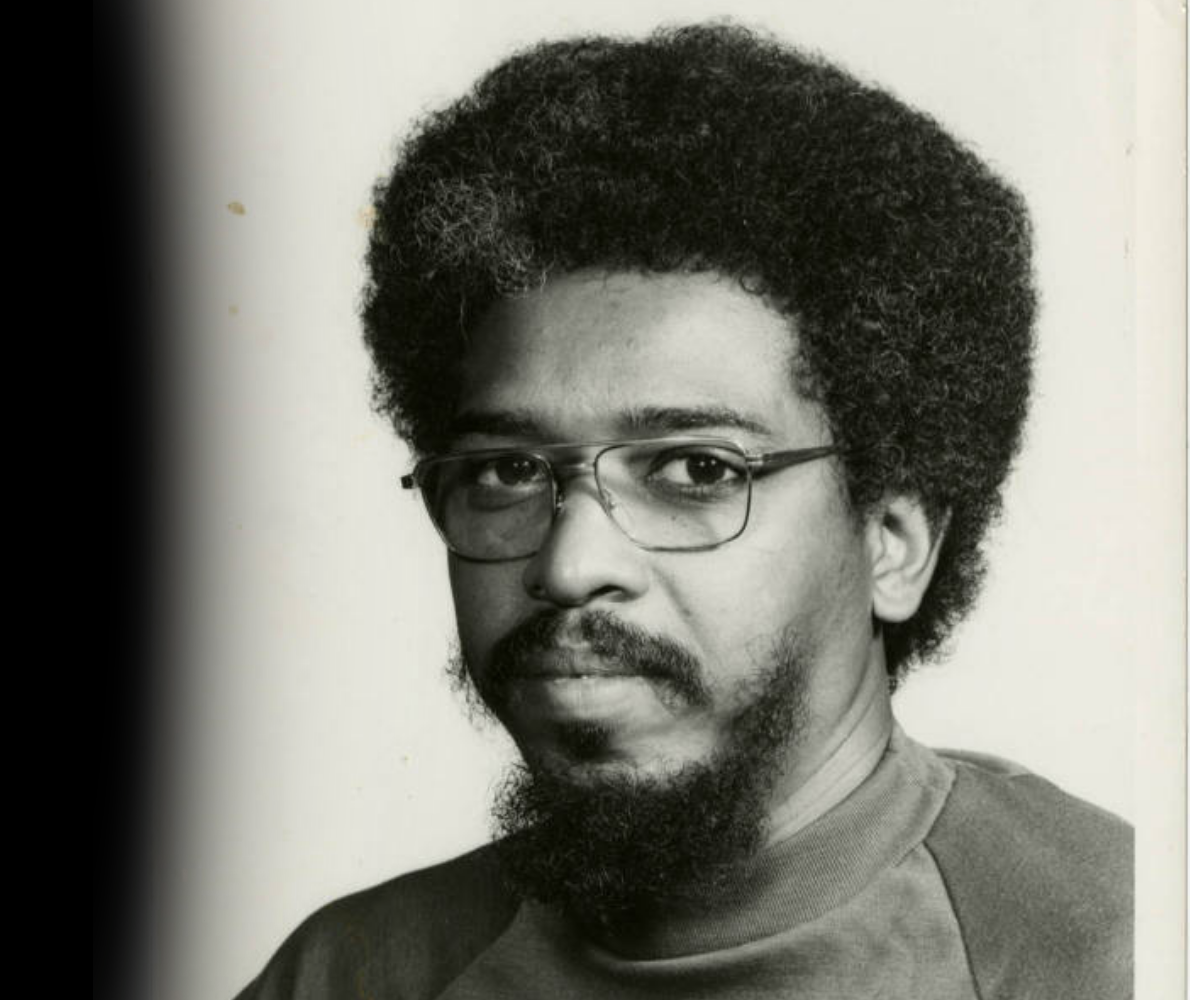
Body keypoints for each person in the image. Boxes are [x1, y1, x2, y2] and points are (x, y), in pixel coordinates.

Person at [235, 22, 1130, 1000]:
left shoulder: (1113, 952)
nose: (570, 564)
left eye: (697, 468)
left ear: (894, 541)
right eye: (506, 470)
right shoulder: (351, 974)